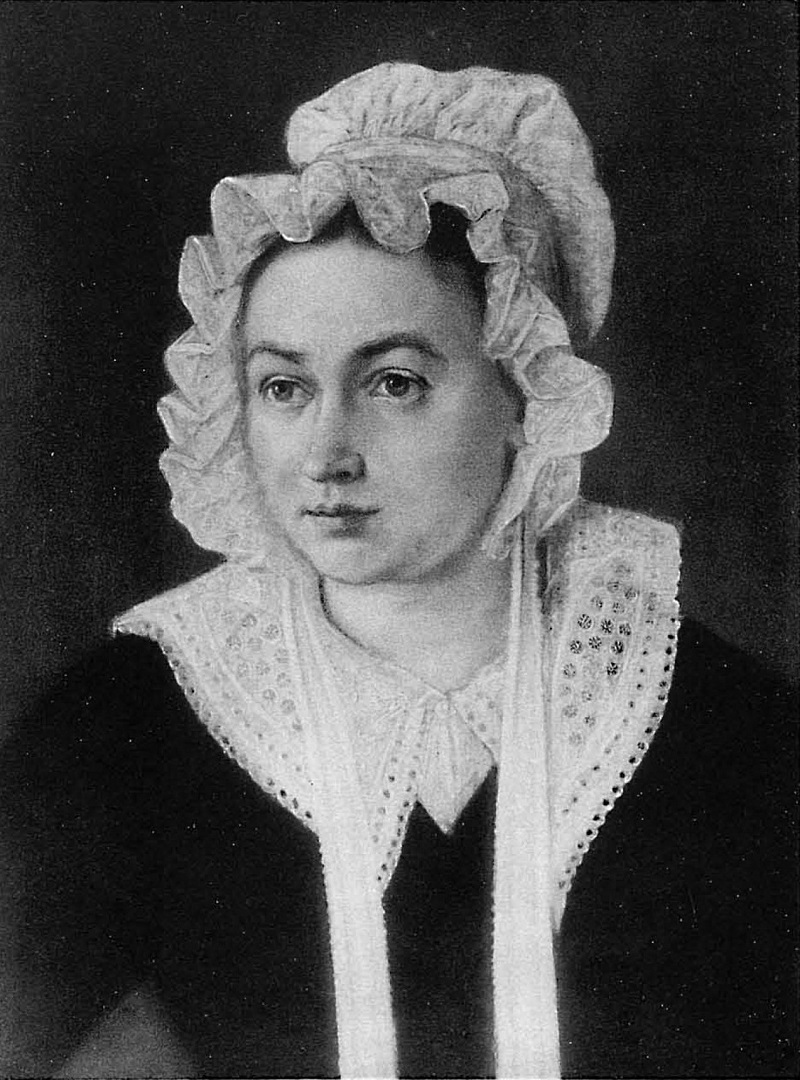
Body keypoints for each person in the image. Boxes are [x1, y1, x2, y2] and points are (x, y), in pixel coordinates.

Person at [1, 63, 795, 1079]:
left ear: (526, 395)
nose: (327, 452)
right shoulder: (111, 734)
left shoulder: (725, 734)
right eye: (284, 387)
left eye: (393, 383)